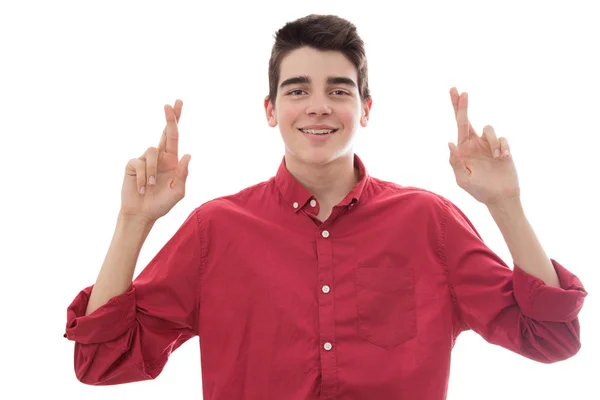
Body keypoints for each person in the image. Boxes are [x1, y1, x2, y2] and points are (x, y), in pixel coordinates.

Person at [64, 14, 588, 400]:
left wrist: (506, 204)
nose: (318, 105)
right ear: (271, 111)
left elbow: (552, 337)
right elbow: (102, 361)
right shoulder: (215, 230)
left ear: (365, 108)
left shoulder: (429, 222)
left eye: (338, 90)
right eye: (297, 90)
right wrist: (133, 221)